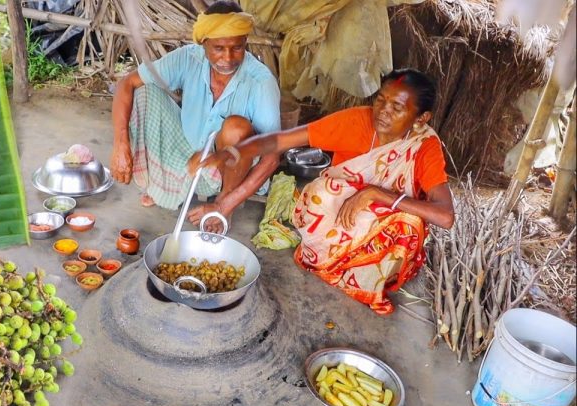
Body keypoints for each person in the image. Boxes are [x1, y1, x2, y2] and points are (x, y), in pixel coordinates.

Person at [192, 68, 455, 315]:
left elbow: (445, 216)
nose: (383, 112)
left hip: (383, 230)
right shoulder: (356, 121)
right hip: (339, 218)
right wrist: (234, 152)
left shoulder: (424, 147)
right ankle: (328, 261)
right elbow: (281, 140)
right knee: (322, 192)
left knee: (410, 224)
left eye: (397, 107)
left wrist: (376, 194)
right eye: (381, 100)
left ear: (421, 118)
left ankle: (364, 280)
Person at [110, 1, 281, 232]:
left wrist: (225, 204)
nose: (228, 58)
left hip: (232, 169)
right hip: (189, 153)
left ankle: (223, 203)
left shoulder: (261, 81)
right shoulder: (188, 58)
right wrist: (120, 144)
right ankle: (158, 184)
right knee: (144, 91)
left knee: (236, 128)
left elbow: (271, 158)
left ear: (245, 43)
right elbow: (126, 83)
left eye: (237, 47)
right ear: (203, 43)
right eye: (218, 48)